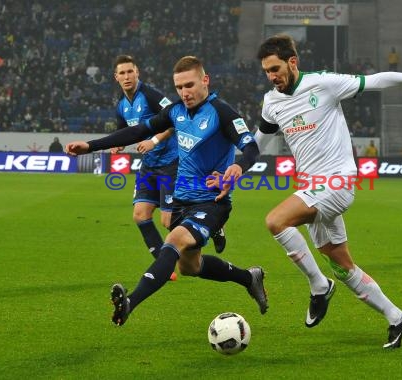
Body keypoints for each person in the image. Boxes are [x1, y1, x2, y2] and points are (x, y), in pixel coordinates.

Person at [255, 34, 402, 349]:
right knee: (342, 265)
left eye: (275, 68)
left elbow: (376, 80)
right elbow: (258, 140)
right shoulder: (272, 101)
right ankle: (396, 317)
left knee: (275, 221)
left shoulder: (324, 84)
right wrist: (235, 167)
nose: (271, 76)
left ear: (292, 62)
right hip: (310, 188)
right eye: (267, 71)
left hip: (338, 182)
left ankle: (318, 286)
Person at [65, 56, 268, 326]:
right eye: (180, 87)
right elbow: (137, 131)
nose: (185, 93)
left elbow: (250, 146)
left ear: (205, 80)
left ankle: (130, 302)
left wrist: (238, 168)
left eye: (190, 85)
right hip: (183, 200)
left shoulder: (222, 112)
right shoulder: (175, 112)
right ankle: (249, 277)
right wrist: (91, 146)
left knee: (172, 241)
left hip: (212, 201)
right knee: (190, 267)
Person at [111, 55, 226, 259]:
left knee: (167, 220)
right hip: (149, 165)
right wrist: (117, 144)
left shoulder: (151, 95)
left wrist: (153, 141)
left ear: (137, 73)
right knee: (140, 215)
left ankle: (213, 227)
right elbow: (125, 130)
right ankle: (162, 263)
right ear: (116, 77)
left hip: (170, 163)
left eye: (130, 71)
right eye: (122, 73)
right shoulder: (121, 104)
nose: (127, 76)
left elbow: (174, 121)